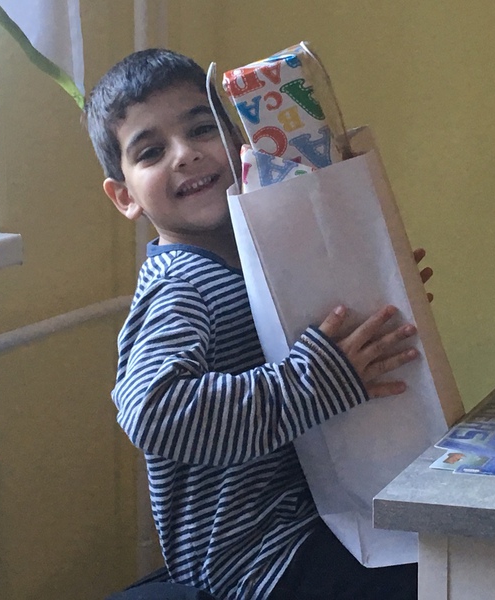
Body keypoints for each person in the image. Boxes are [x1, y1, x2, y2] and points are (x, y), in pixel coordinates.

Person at [84, 48, 426, 600]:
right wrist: (315, 380)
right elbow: (153, 410)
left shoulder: (271, 259)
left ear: (242, 144)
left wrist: (385, 299)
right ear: (124, 197)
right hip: (258, 558)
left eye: (201, 129)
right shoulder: (180, 285)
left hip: (333, 517)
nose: (186, 155)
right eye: (151, 152)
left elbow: (322, 350)